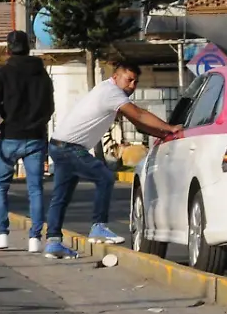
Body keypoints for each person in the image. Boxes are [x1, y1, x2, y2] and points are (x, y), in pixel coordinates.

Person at [45, 59, 181, 259]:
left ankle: (53, 243)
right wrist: (170, 128)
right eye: (129, 80)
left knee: (61, 197)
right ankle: (98, 227)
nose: (132, 86)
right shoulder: (112, 93)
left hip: (59, 145)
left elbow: (138, 121)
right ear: (115, 77)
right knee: (105, 177)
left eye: (135, 82)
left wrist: (163, 135)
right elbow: (140, 115)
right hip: (69, 148)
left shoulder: (108, 91)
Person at [0, 30, 54, 253]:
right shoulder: (42, 74)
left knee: (1, 187)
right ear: (29, 48)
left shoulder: (2, 73)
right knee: (36, 189)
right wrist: (38, 123)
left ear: (8, 49)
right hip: (35, 138)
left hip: (10, 136)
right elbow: (49, 107)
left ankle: (1, 234)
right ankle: (35, 239)